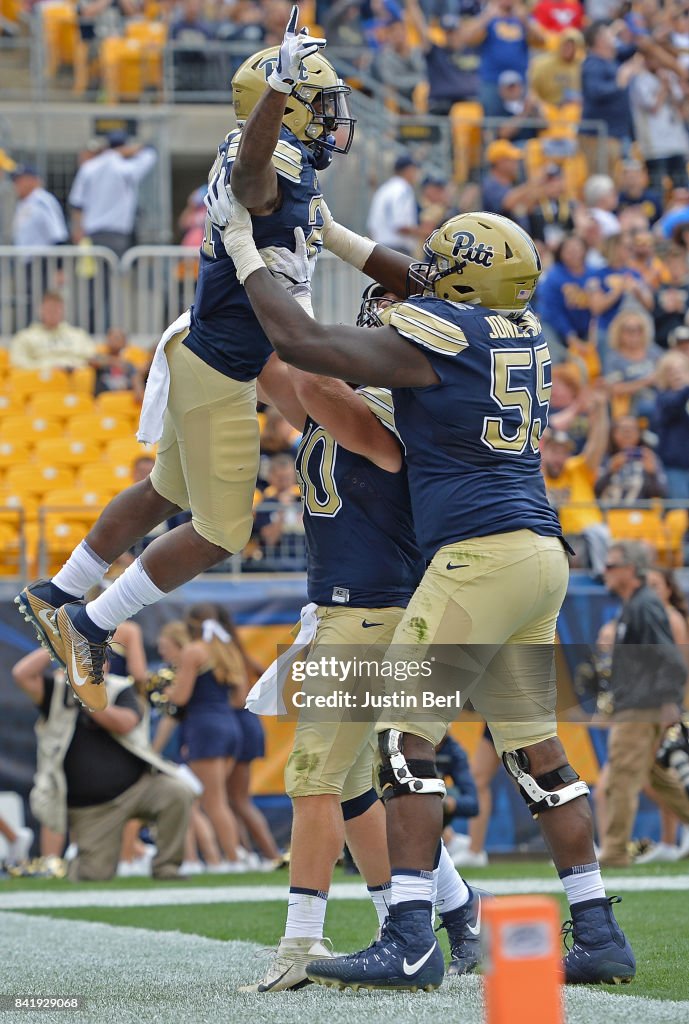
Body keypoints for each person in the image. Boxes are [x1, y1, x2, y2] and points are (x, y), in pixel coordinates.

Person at [212, 196, 635, 987]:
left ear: (462, 287)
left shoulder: (443, 336)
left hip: (475, 559)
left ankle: (410, 934)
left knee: (403, 743)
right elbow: (435, 289)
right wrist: (336, 238)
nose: (424, 272)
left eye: (441, 265)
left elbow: (301, 340)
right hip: (539, 553)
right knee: (537, 753)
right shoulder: (521, 329)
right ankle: (599, 927)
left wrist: (244, 251)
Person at [16, 8, 411, 714]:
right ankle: (88, 623)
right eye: (316, 106)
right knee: (221, 531)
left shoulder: (294, 172)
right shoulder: (266, 160)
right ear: (280, 105)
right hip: (224, 364)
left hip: (212, 350)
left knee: (166, 491)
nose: (331, 120)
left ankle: (58, 591)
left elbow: (358, 249)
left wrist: (447, 285)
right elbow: (255, 178)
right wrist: (281, 91)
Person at [242, 301, 483, 990]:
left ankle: (298, 945)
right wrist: (232, 294)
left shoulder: (393, 416)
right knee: (349, 783)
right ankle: (438, 913)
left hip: (376, 615)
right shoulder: (343, 398)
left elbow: (313, 381)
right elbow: (270, 373)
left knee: (316, 777)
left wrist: (289, 317)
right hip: (346, 611)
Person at [11, 647, 193, 881]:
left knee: (176, 792)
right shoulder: (56, 691)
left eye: (97, 660)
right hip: (92, 809)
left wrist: (90, 700)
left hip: (137, 788)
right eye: (84, 661)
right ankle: (72, 861)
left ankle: (167, 867)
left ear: (106, 666)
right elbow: (21, 674)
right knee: (93, 875)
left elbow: (126, 723)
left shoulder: (120, 688)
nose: (92, 667)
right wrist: (60, 641)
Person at [600, 542, 689, 867]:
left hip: (643, 707)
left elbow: (671, 660)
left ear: (630, 570)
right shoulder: (635, 605)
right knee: (657, 779)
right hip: (638, 704)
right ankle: (614, 848)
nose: (603, 572)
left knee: (620, 779)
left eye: (610, 566)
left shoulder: (643, 606)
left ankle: (614, 851)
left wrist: (668, 701)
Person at [163, 603, 248, 869]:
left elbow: (181, 696)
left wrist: (165, 692)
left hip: (204, 727)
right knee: (215, 799)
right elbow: (240, 698)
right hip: (230, 725)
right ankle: (230, 856)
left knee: (213, 801)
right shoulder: (226, 648)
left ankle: (232, 860)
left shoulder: (194, 651)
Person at [540, 393, 610, 575]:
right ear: (544, 451)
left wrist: (601, 411)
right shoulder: (536, 476)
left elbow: (597, 444)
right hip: (555, 540)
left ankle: (601, 575)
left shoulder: (576, 468)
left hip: (588, 539)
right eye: (555, 451)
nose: (559, 458)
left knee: (598, 533)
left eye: (564, 452)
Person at [68, 131, 157, 257]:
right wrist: (133, 149)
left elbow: (77, 203)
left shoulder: (89, 167)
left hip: (91, 231)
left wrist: (77, 229)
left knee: (93, 274)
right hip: (117, 232)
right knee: (115, 272)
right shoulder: (126, 168)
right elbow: (151, 153)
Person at [405, 1, 480, 115]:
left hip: (471, 102)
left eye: (453, 32)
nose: (451, 36)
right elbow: (421, 30)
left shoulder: (471, 50)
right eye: (447, 32)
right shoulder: (436, 51)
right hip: (443, 105)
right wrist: (412, 5)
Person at [9, 291, 96, 371]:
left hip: (76, 381)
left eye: (57, 309)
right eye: (49, 308)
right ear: (40, 310)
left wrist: (73, 367)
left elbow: (91, 358)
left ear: (63, 311)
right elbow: (18, 362)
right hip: (40, 382)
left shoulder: (78, 335)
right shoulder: (25, 337)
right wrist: (48, 368)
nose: (53, 312)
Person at [595, 415, 667, 505]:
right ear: (613, 433)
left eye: (632, 429)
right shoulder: (603, 458)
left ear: (639, 434)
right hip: (608, 513)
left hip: (640, 515)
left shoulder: (649, 457)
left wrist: (651, 474)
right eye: (623, 429)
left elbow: (662, 493)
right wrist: (609, 472)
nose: (627, 432)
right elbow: (593, 491)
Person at [366, 153, 422, 256]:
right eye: (414, 170)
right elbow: (400, 225)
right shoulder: (403, 189)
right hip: (396, 249)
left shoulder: (384, 188)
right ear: (408, 170)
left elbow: (371, 225)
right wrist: (424, 233)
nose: (416, 174)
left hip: (379, 247)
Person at [652, 346, 689, 499]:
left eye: (681, 369)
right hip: (675, 466)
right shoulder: (663, 398)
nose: (677, 374)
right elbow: (674, 405)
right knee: (679, 512)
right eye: (670, 371)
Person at [11, 165, 68, 250]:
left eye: (20, 180)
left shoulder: (42, 200)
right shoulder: (24, 202)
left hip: (43, 259)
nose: (16, 184)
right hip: (26, 259)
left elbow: (58, 235)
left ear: (33, 180)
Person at [529, 28, 583, 107]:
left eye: (572, 46)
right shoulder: (544, 64)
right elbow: (533, 91)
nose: (568, 49)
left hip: (573, 109)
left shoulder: (582, 66)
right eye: (566, 45)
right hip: (548, 107)